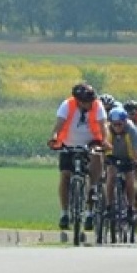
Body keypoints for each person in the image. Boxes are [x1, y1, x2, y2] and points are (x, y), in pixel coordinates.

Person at [48, 82, 106, 230]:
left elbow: (103, 126)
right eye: (87, 102)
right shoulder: (67, 105)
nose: (90, 104)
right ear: (79, 101)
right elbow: (59, 125)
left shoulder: (97, 106)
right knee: (65, 176)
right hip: (69, 144)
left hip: (91, 142)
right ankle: (65, 213)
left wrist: (104, 142)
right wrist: (54, 138)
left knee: (96, 157)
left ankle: (90, 207)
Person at [101, 107, 137, 223]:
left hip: (128, 156)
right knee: (110, 177)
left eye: (119, 124)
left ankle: (130, 207)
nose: (117, 127)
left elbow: (136, 150)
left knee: (130, 181)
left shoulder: (131, 129)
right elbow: (102, 146)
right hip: (113, 156)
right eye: (114, 125)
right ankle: (109, 206)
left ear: (125, 122)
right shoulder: (107, 129)